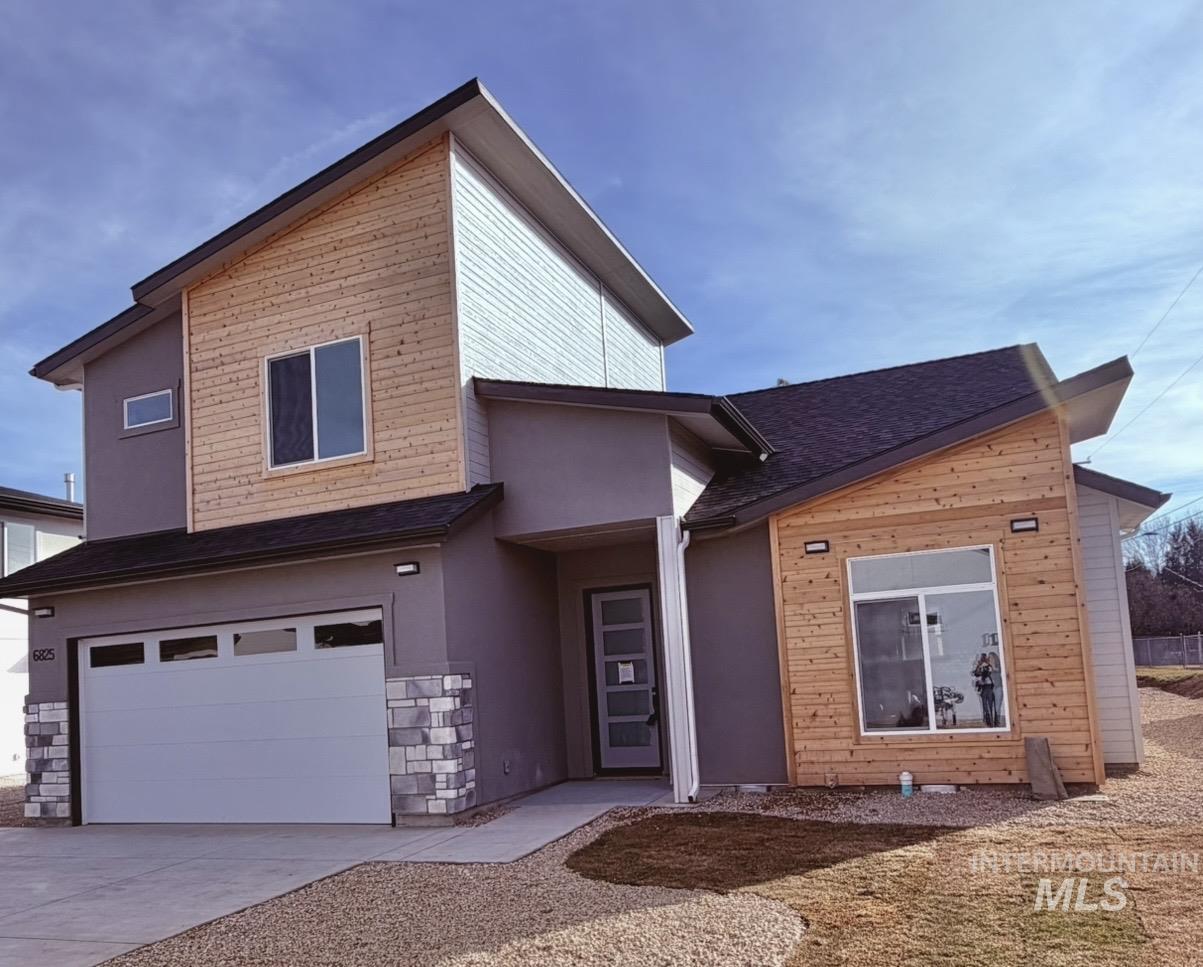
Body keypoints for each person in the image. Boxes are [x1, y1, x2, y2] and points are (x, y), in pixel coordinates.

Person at [972, 652, 997, 727]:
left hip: (987, 686)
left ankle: (990, 720)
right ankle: (989, 720)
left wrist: (980, 669)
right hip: (985, 687)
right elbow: (977, 674)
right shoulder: (984, 666)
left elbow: (979, 674)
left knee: (987, 704)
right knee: (987, 704)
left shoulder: (986, 666)